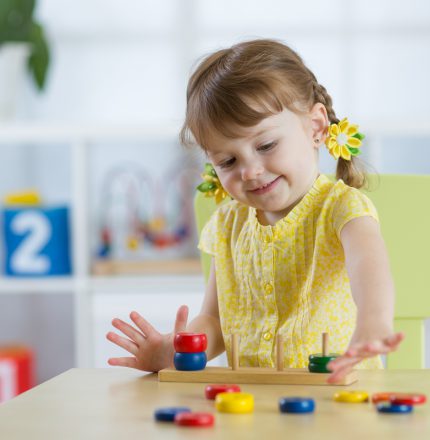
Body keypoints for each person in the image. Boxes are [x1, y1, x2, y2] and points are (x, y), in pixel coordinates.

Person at [106, 39, 404, 383]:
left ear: (316, 127)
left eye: (266, 145)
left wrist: (373, 323)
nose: (249, 171)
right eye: (228, 161)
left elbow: (370, 269)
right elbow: (216, 322)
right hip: (252, 404)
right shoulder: (228, 224)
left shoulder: (341, 207)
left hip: (337, 398)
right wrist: (178, 349)